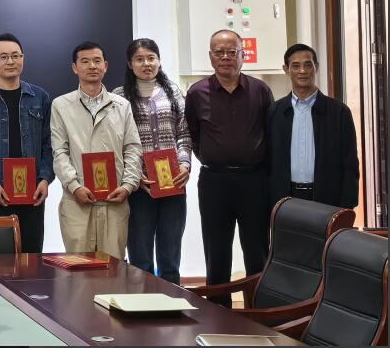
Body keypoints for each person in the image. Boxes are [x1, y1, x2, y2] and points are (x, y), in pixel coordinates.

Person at [185, 29, 273, 304]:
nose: (225, 57)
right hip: (214, 182)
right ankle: (219, 312)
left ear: (242, 55)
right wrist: (213, 156)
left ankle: (259, 311)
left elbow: (271, 133)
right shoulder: (197, 93)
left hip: (254, 180)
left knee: (257, 249)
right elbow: (193, 135)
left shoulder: (260, 90)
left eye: (232, 52)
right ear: (210, 56)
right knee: (216, 250)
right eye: (219, 52)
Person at [112, 38, 192, 285]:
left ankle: (171, 304)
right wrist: (133, 176)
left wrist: (185, 165)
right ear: (130, 64)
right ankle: (141, 306)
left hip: (173, 184)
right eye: (139, 59)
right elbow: (116, 142)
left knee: (170, 257)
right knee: (140, 258)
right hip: (139, 187)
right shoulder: (119, 97)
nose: (146, 64)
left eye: (151, 58)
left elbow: (184, 133)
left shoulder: (173, 92)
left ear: (159, 61)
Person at [51, 41, 141, 259]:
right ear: (75, 67)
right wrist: (74, 186)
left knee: (113, 267)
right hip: (77, 201)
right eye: (85, 61)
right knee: (78, 267)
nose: (92, 66)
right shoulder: (61, 105)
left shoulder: (122, 105)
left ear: (105, 66)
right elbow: (59, 151)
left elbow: (132, 148)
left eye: (97, 61)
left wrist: (128, 185)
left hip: (114, 200)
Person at [0, 33, 54, 253]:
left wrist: (45, 179)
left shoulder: (40, 97)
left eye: (15, 56)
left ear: (23, 58)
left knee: (31, 260)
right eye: (3, 57)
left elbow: (49, 145)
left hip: (32, 196)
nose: (10, 61)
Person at [268, 43, 359, 208]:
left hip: (327, 198)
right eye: (296, 66)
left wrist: (348, 206)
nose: (302, 71)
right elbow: (268, 161)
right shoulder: (275, 112)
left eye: (308, 65)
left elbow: (350, 163)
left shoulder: (339, 112)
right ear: (286, 69)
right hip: (285, 200)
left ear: (316, 67)